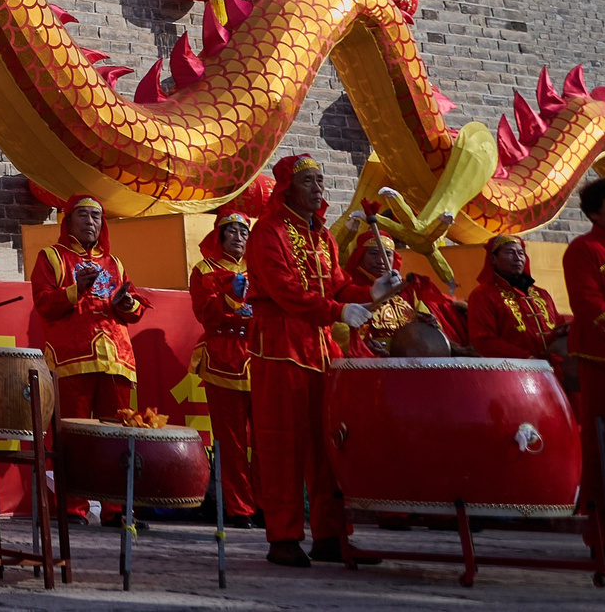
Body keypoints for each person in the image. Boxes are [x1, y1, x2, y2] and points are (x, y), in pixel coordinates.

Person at [245, 156, 379, 568]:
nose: (319, 187)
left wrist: (373, 292)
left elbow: (338, 285)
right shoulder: (268, 231)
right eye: (309, 180)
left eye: (321, 179)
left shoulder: (323, 237)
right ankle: (283, 536)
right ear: (288, 188)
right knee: (283, 445)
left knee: (329, 446)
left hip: (322, 350)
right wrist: (338, 312)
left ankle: (331, 534)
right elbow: (283, 290)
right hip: (280, 346)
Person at [32, 196, 145, 523]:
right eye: (83, 215)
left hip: (116, 358)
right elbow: (43, 303)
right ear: (68, 220)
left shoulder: (114, 263)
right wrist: (75, 290)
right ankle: (72, 508)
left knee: (118, 436)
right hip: (72, 357)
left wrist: (128, 304)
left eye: (96, 216)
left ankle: (117, 509)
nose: (90, 222)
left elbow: (135, 308)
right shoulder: (52, 257)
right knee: (72, 437)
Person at [564, 176, 605, 549]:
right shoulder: (584, 249)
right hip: (603, 362)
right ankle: (603, 532)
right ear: (594, 213)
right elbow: (587, 303)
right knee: (602, 448)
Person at [186, 211, 258, 523]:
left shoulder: (261, 268)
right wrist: (231, 297)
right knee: (231, 442)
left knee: (267, 439)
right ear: (220, 235)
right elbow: (206, 314)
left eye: (244, 232)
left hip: (260, 356)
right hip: (223, 358)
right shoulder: (204, 270)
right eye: (233, 231)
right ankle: (240, 508)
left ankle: (270, 507)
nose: (239, 238)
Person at [336, 211, 463, 358]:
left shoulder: (406, 289)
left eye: (387, 254)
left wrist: (430, 324)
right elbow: (339, 330)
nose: (381, 260)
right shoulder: (348, 289)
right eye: (374, 254)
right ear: (360, 256)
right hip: (369, 361)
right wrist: (364, 346)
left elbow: (425, 323)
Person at [467, 234, 561, 362]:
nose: (517, 258)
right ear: (493, 259)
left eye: (521, 253)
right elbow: (483, 340)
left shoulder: (542, 294)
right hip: (514, 369)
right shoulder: (483, 295)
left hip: (553, 369)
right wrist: (525, 358)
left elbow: (559, 326)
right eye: (510, 253)